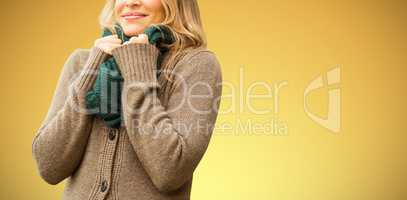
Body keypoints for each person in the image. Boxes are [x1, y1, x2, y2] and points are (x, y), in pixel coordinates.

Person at [31, 0, 222, 199]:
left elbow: (170, 172)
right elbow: (49, 168)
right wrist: (90, 73)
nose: (131, 2)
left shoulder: (196, 65)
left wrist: (138, 69)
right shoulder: (82, 61)